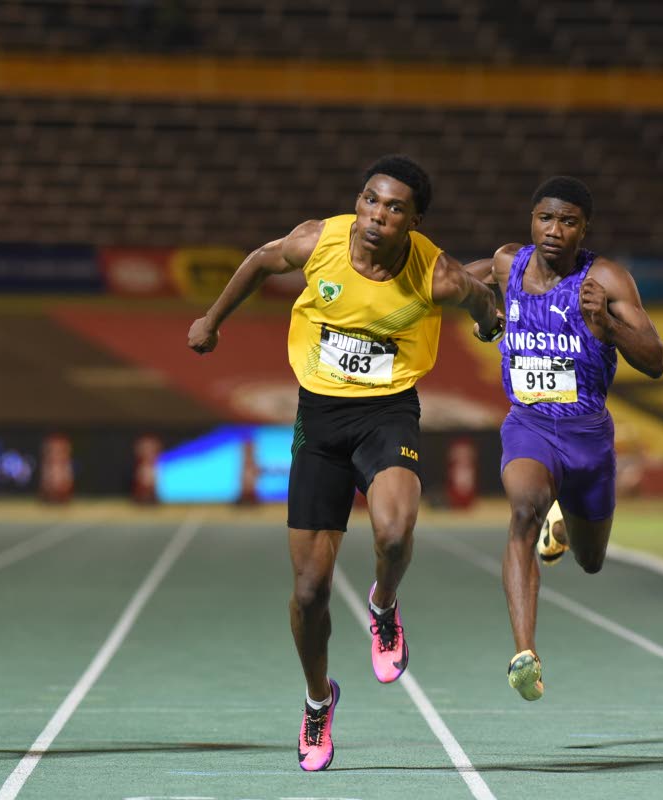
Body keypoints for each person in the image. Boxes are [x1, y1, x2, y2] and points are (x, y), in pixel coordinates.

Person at [187, 155, 500, 770]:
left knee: (394, 529)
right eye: (369, 200)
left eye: (393, 208)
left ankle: (383, 606)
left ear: (414, 221)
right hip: (320, 419)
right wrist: (212, 320)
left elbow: (480, 301)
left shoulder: (435, 274)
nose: (375, 217)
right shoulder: (318, 241)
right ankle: (316, 701)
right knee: (309, 592)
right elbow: (256, 261)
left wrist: (492, 323)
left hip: (388, 416)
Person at [466, 176, 663, 701]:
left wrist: (606, 323)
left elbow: (656, 360)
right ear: (531, 221)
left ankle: (564, 524)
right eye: (545, 219)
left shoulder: (605, 278)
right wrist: (481, 317)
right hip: (529, 425)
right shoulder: (508, 263)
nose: (555, 231)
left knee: (591, 560)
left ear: (584, 228)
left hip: (588, 438)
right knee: (522, 510)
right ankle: (524, 654)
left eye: (568, 221)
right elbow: (451, 284)